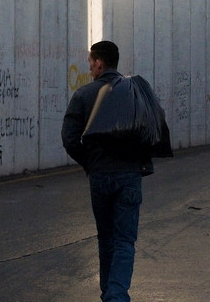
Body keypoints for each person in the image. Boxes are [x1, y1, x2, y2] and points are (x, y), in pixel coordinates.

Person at [61, 41, 152, 302]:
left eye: (90, 61)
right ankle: (116, 295)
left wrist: (90, 162)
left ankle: (109, 294)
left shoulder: (84, 95)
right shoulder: (135, 92)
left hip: (100, 176)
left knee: (106, 238)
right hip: (129, 175)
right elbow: (149, 129)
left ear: (99, 63)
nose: (88, 66)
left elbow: (69, 138)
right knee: (124, 240)